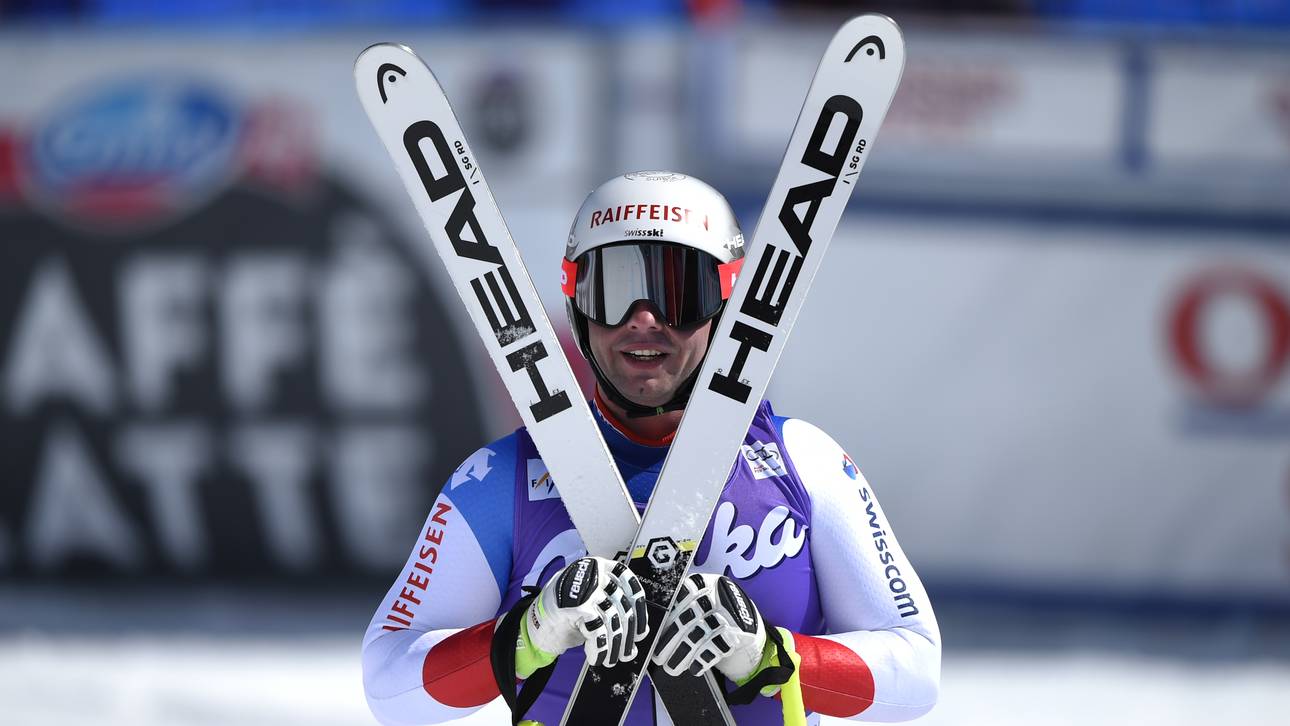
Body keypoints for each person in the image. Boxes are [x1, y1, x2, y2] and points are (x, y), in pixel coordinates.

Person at [361, 171, 940, 725]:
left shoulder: (804, 463)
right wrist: (525, 635)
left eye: (678, 290)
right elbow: (389, 685)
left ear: (728, 308)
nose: (644, 319)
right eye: (614, 289)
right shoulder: (500, 479)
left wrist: (771, 656)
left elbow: (916, 671)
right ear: (577, 305)